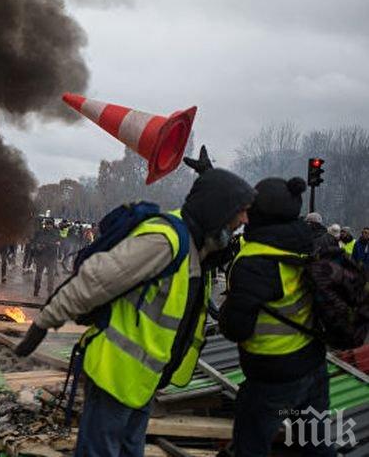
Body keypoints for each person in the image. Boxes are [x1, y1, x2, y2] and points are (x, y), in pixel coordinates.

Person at [15, 168, 256, 456]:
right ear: (219, 209)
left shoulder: (197, 247)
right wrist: (43, 322)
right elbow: (95, 280)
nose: (245, 219)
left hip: (143, 381)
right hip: (114, 376)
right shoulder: (165, 240)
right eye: (241, 211)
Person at [218, 177, 333, 456]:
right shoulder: (308, 243)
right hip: (314, 366)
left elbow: (236, 328)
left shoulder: (254, 261)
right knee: (315, 444)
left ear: (258, 215)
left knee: (251, 445)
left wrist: (226, 310)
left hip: (272, 377)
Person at [32, 218, 60, 297]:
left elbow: (58, 243)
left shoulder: (55, 233)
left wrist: (49, 245)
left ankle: (49, 291)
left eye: (50, 225)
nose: (49, 226)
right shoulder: (40, 232)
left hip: (51, 257)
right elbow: (35, 243)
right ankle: (36, 290)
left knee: (50, 276)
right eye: (48, 224)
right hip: (41, 256)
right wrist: (38, 247)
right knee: (39, 274)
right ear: (45, 225)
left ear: (52, 225)